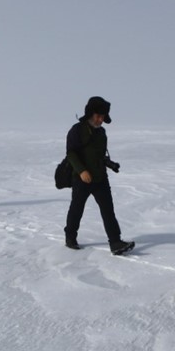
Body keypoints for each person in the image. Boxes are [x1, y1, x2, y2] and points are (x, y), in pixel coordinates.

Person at [63, 96, 135, 255]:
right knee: (77, 209)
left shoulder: (102, 132)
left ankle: (115, 242)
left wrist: (110, 164)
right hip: (81, 179)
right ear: (90, 113)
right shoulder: (77, 130)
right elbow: (71, 153)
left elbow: (100, 156)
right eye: (98, 116)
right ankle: (70, 237)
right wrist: (82, 171)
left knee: (108, 210)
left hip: (100, 178)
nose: (100, 119)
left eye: (103, 116)